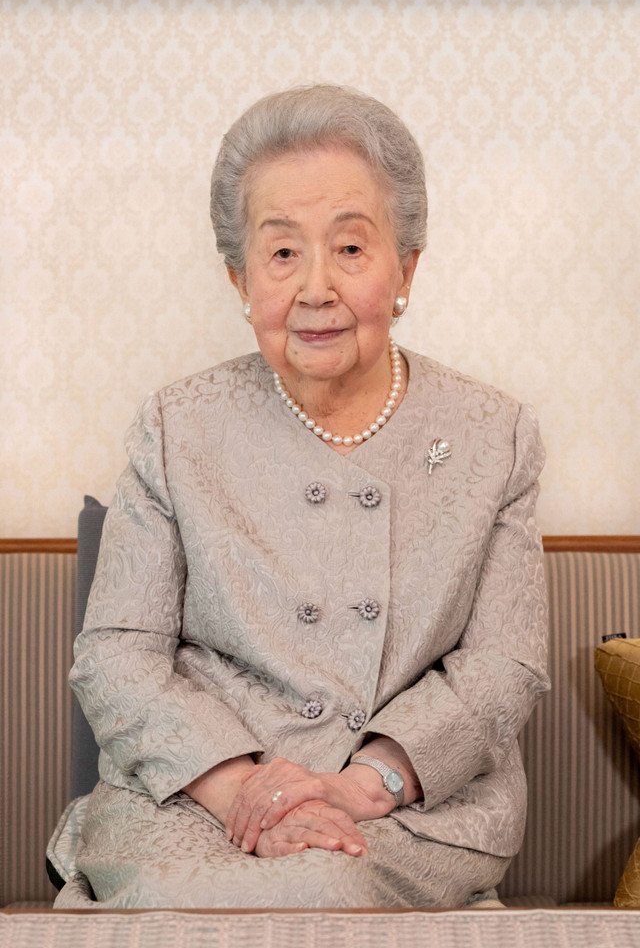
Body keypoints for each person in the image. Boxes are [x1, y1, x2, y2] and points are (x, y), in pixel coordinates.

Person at [53, 84, 549, 909]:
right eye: (283, 254)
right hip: (196, 795)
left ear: (406, 268)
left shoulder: (493, 434)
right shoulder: (177, 428)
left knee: (323, 886)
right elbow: (115, 655)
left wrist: (361, 785)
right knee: (202, 904)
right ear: (240, 278)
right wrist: (244, 789)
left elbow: (505, 666)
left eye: (350, 249)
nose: (316, 287)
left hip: (407, 806)